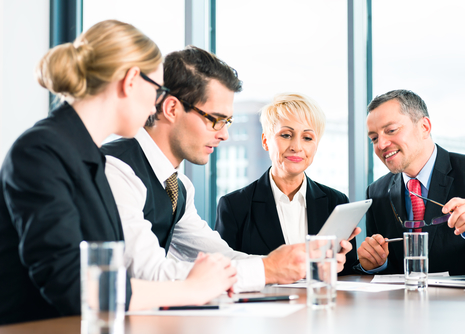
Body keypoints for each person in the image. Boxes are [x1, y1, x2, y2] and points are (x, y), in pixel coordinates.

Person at [0, 20, 236, 326]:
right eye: (157, 89)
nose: (157, 104)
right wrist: (190, 289)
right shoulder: (40, 151)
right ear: (130, 81)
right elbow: (74, 285)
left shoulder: (88, 157)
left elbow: (110, 272)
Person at [102, 46, 309, 293]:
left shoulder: (178, 187)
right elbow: (147, 274)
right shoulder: (117, 170)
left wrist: (296, 261)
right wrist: (267, 269)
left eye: (227, 122)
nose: (224, 135)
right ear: (171, 109)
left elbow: (222, 257)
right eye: (215, 120)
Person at [357, 89, 465, 275]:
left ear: (424, 127)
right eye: (374, 138)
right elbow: (388, 272)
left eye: (391, 131)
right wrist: (375, 264)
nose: (381, 145)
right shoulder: (376, 192)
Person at [215, 93, 360, 274]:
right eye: (286, 135)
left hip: (320, 300)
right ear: (265, 141)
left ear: (316, 145)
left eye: (307, 138)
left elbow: (349, 273)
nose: (296, 146)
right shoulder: (234, 206)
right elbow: (224, 269)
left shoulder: (336, 202)